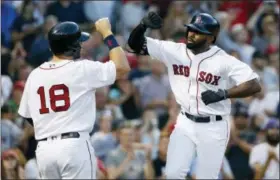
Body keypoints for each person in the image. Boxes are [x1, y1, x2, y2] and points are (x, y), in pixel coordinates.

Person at [127, 12, 261, 179]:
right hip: (185, 121)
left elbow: (254, 84)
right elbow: (134, 44)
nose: (191, 34)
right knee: (173, 174)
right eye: (190, 29)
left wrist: (223, 94)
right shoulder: (175, 50)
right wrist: (142, 26)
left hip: (214, 125)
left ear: (211, 38)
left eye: (198, 32)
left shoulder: (223, 60)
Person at [17, 18, 130, 179]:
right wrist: (107, 33)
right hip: (73, 146)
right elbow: (122, 67)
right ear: (73, 47)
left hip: (44, 150)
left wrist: (52, 126)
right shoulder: (82, 68)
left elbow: (28, 116)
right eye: (79, 42)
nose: (81, 45)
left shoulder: (35, 74)